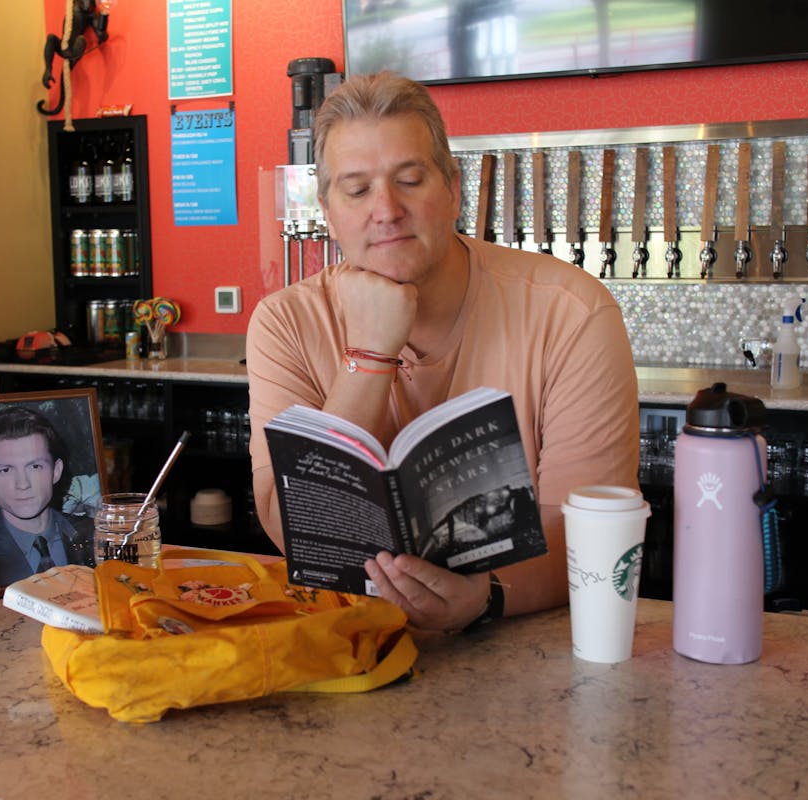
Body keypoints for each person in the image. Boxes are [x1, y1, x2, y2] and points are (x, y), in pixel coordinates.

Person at [245, 71, 640, 632]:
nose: (386, 210)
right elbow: (290, 521)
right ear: (329, 213)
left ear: (453, 188)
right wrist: (369, 354)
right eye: (357, 190)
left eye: (409, 180)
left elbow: (588, 532)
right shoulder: (284, 322)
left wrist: (487, 595)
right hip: (349, 643)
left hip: (520, 645)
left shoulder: (572, 313)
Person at [0, 406, 92, 587]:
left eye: (35, 467)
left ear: (56, 471)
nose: (23, 484)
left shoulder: (96, 535)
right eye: (6, 470)